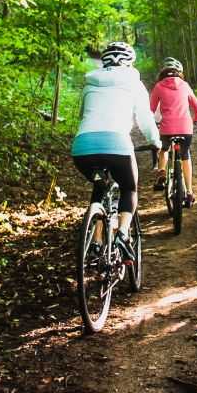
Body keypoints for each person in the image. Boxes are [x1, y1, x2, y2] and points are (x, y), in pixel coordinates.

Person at [71, 41, 160, 263]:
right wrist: (155, 142)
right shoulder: (134, 83)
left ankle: (97, 242)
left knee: (100, 186)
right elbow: (146, 120)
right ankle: (122, 234)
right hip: (117, 146)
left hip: (83, 149)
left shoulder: (89, 83)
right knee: (129, 188)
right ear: (130, 62)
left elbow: (82, 115)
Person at [149, 57, 197, 206]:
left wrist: (152, 122)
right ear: (179, 72)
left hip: (167, 128)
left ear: (163, 72)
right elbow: (196, 104)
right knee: (185, 156)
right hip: (185, 128)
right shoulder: (185, 85)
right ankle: (190, 192)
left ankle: (161, 172)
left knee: (164, 150)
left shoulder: (159, 86)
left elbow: (151, 109)